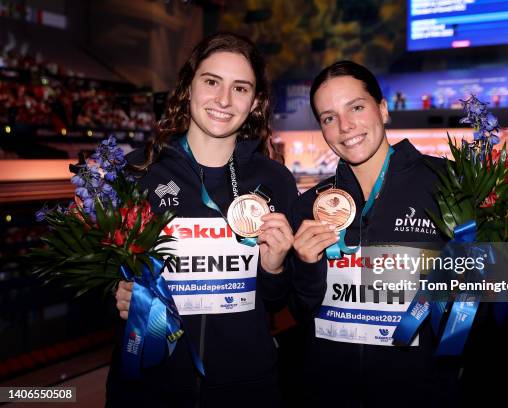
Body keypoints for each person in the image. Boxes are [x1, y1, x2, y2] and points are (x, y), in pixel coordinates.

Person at [106, 33, 297, 407]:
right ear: (188, 86)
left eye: (240, 88)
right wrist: (116, 293)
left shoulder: (275, 180)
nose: (224, 100)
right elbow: (102, 275)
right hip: (150, 388)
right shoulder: (137, 171)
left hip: (245, 389)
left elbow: (275, 302)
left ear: (255, 101)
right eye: (211, 82)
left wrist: (274, 268)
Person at [288, 61, 477, 407]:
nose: (345, 127)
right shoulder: (309, 206)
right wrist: (304, 265)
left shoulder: (450, 184)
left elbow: (483, 303)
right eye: (329, 118)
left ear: (383, 109)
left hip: (419, 392)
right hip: (330, 391)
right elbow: (301, 311)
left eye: (356, 107)